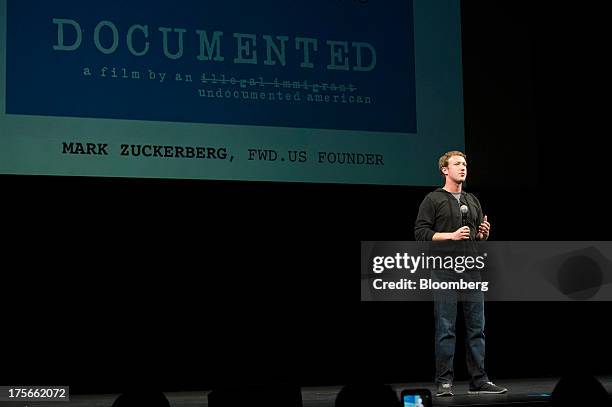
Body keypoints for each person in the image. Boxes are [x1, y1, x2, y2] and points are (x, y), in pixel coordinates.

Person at [414, 151, 507, 397]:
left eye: (464, 163)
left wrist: (482, 235)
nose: (462, 167)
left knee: (477, 327)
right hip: (444, 270)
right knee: (446, 327)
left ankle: (479, 379)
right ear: (445, 170)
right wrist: (451, 236)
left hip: (471, 270)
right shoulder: (433, 199)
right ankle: (444, 381)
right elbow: (421, 233)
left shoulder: (472, 200)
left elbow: (475, 236)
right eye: (457, 164)